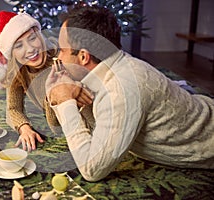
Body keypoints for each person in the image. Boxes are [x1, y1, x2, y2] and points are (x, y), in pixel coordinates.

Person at [45, 5, 214, 182]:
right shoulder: (111, 64)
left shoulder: (121, 91)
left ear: (83, 57)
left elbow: (91, 168)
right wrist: (59, 93)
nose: (59, 58)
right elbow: (95, 126)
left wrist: (65, 101)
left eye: (62, 50)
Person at [0, 11, 91, 152]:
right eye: (19, 46)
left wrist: (53, 94)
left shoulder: (61, 61)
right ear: (12, 54)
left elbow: (56, 126)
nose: (30, 49)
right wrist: (24, 128)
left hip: (82, 133)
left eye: (32, 38)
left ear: (40, 36)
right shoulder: (18, 72)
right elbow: (13, 109)